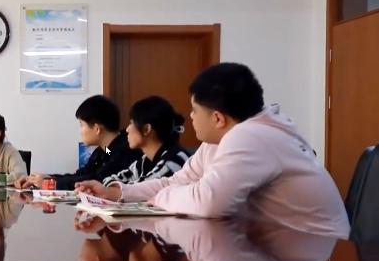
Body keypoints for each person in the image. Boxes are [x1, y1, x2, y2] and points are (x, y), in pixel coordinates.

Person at [76, 63, 349, 238]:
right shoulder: (221, 140)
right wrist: (115, 193)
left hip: (320, 253)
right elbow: (178, 181)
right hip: (275, 242)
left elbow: (207, 201)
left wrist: (160, 197)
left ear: (218, 118)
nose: (190, 118)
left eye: (195, 110)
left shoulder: (252, 136)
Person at [17, 95, 140, 190]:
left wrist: (51, 183)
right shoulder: (106, 149)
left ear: (97, 129)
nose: (80, 131)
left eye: (81, 125)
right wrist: (47, 178)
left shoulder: (124, 150)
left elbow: (97, 179)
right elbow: (82, 174)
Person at [101, 96, 191, 185]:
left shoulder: (116, 147)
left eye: (131, 123)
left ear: (97, 129)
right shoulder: (103, 148)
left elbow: (109, 168)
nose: (127, 129)